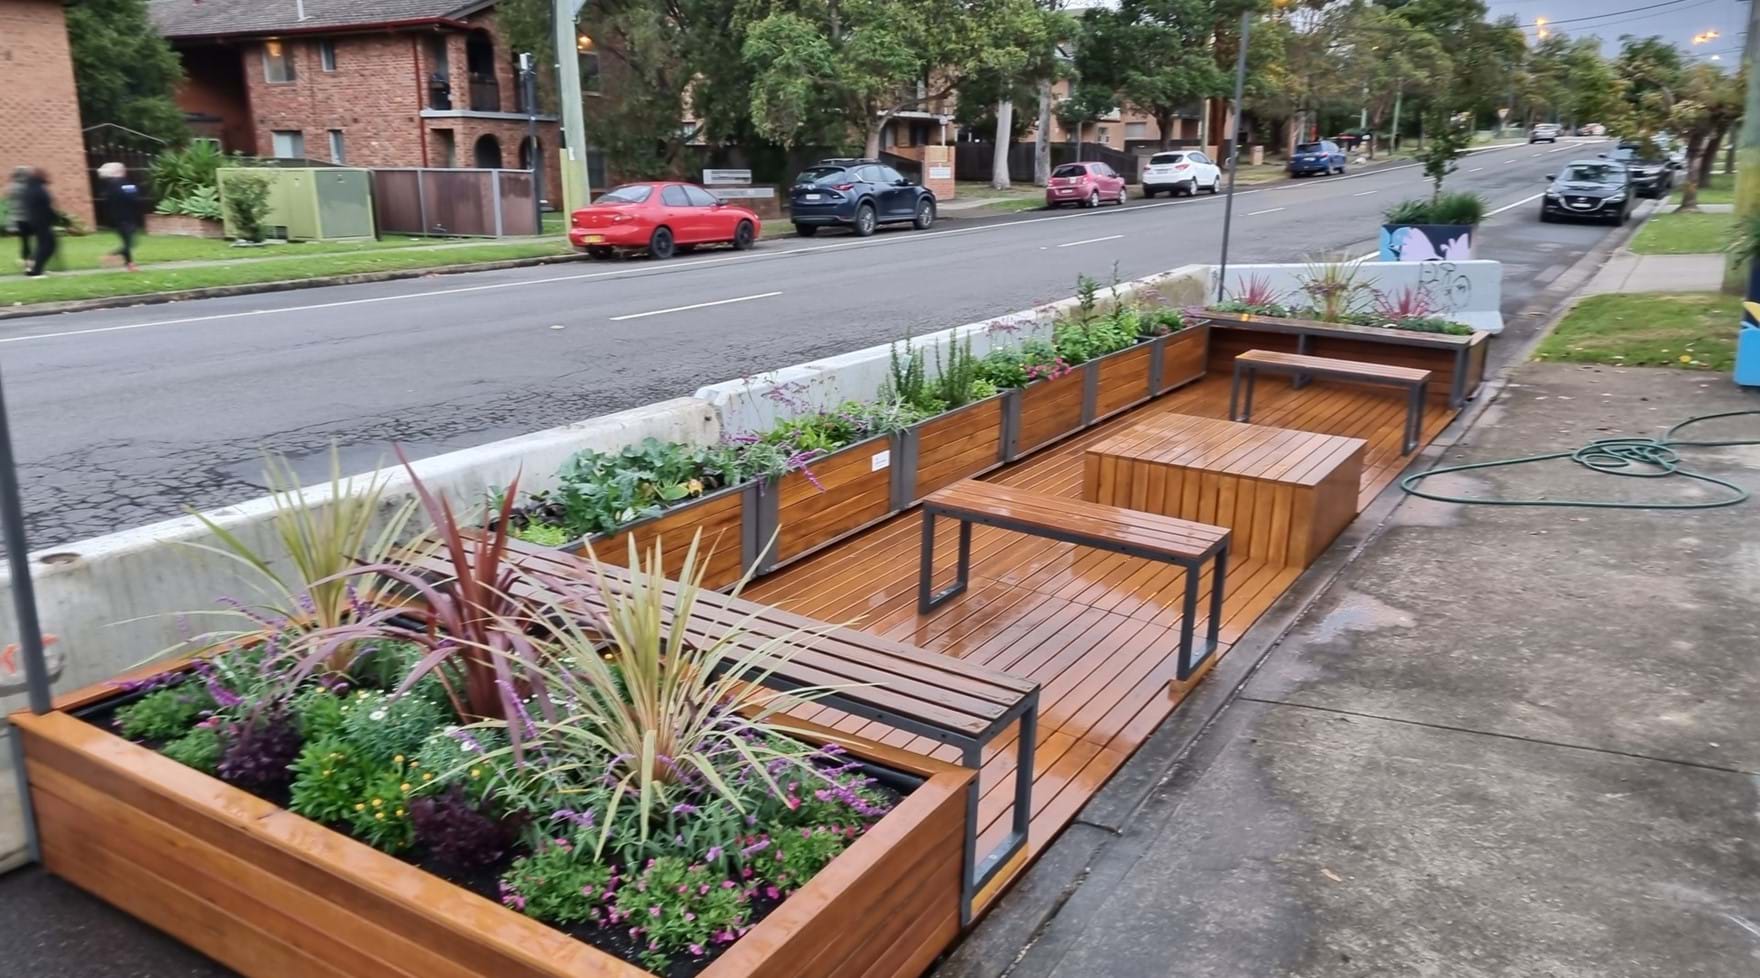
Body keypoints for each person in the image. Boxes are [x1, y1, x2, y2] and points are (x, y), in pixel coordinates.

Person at [97, 161, 142, 271]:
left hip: (117, 219)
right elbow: (134, 197)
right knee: (130, 243)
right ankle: (111, 255)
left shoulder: (109, 185)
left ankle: (130, 265)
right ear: (120, 171)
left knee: (127, 242)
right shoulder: (122, 184)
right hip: (126, 218)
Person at [19, 169, 56, 278]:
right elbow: (46, 205)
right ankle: (36, 270)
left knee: (43, 245)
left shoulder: (29, 188)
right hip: (42, 221)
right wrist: (54, 216)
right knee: (48, 245)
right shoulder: (39, 189)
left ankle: (34, 267)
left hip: (35, 220)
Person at [6, 166, 31, 269]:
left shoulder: (11, 187)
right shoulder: (26, 187)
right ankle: (30, 262)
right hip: (28, 217)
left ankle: (26, 261)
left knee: (25, 241)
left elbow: (11, 203)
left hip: (18, 219)